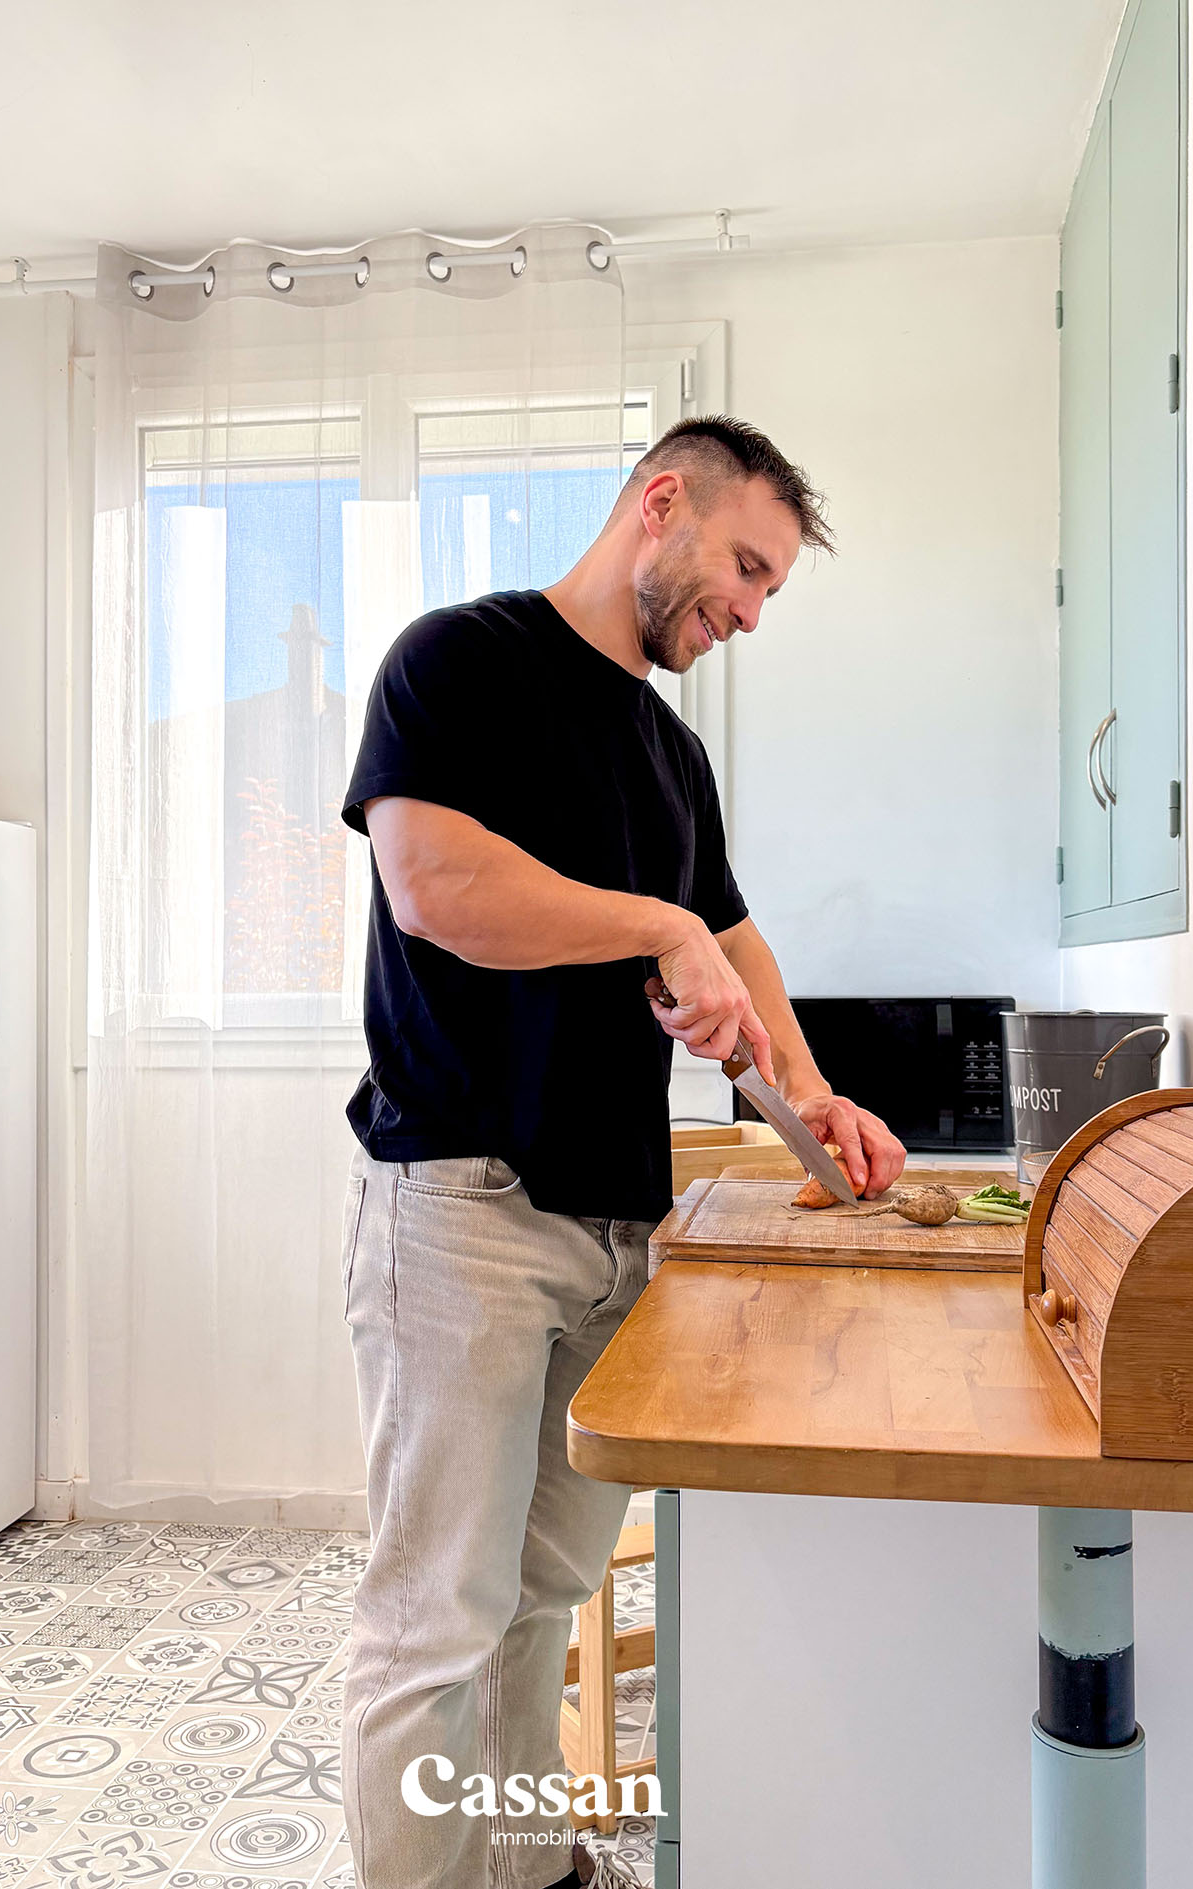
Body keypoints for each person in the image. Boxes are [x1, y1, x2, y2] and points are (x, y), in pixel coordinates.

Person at [337, 415, 906, 1889]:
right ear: (658, 504)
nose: (750, 612)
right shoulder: (455, 660)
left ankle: (525, 1869)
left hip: (610, 1225)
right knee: (433, 1617)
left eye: (771, 587)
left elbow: (727, 934)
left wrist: (813, 1092)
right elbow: (434, 884)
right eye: (743, 568)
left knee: (535, 1594)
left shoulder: (670, 750)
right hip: (463, 1201)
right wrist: (650, 927)